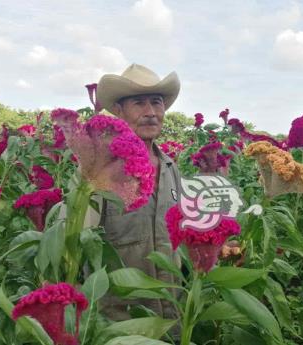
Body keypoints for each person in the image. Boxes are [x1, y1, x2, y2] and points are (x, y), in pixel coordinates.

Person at [82, 64, 182, 321]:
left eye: (156, 103)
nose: (150, 112)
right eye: (139, 103)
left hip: (171, 320)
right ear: (118, 111)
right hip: (121, 323)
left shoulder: (171, 169)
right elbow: (80, 244)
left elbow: (181, 233)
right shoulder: (101, 170)